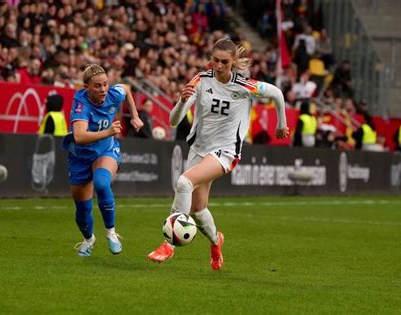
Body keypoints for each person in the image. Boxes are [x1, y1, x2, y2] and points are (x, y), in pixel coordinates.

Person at [147, 38, 289, 270]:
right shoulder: (200, 81)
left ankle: (168, 245)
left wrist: (281, 124)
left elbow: (277, 94)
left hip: (226, 152)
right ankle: (216, 242)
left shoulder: (245, 87)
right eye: (215, 60)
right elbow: (173, 122)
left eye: (224, 61)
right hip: (199, 148)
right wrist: (182, 102)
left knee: (184, 183)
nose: (219, 65)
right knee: (199, 210)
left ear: (233, 62)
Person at [61, 64, 143, 256]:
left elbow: (127, 89)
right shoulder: (81, 104)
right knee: (82, 212)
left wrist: (135, 116)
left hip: (105, 149)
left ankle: (111, 233)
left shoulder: (113, 94)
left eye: (105, 84)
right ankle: (89, 239)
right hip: (80, 156)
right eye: (98, 86)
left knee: (101, 183)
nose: (103, 89)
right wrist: (108, 132)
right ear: (86, 87)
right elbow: (80, 136)